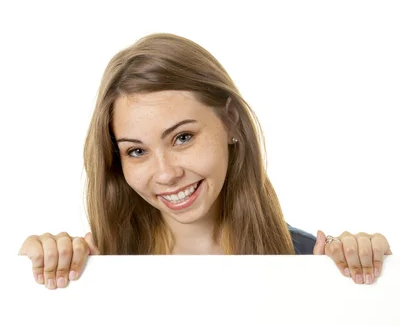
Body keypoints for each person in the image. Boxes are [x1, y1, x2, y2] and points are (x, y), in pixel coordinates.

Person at [19, 32, 386, 290]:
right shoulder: (91, 270)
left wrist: (367, 279)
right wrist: (32, 275)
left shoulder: (309, 262)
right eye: (136, 151)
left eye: (182, 137)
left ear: (231, 123)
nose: (165, 173)